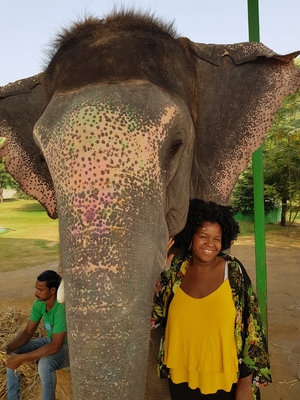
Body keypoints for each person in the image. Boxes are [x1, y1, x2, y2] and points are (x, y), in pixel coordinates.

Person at [151, 199, 271, 400]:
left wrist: (245, 383)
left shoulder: (233, 271)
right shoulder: (175, 270)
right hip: (181, 375)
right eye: (203, 236)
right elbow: (154, 317)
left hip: (224, 380)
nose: (210, 244)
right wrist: (156, 270)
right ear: (191, 237)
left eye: (217, 238)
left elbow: (253, 328)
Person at [3, 270, 68, 400]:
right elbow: (28, 332)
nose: (35, 293)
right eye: (36, 288)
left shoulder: (61, 308)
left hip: (67, 347)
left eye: (40, 289)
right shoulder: (39, 303)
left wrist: (22, 358)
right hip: (51, 340)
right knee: (12, 354)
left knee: (45, 365)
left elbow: (56, 346)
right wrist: (7, 349)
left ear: (52, 290)